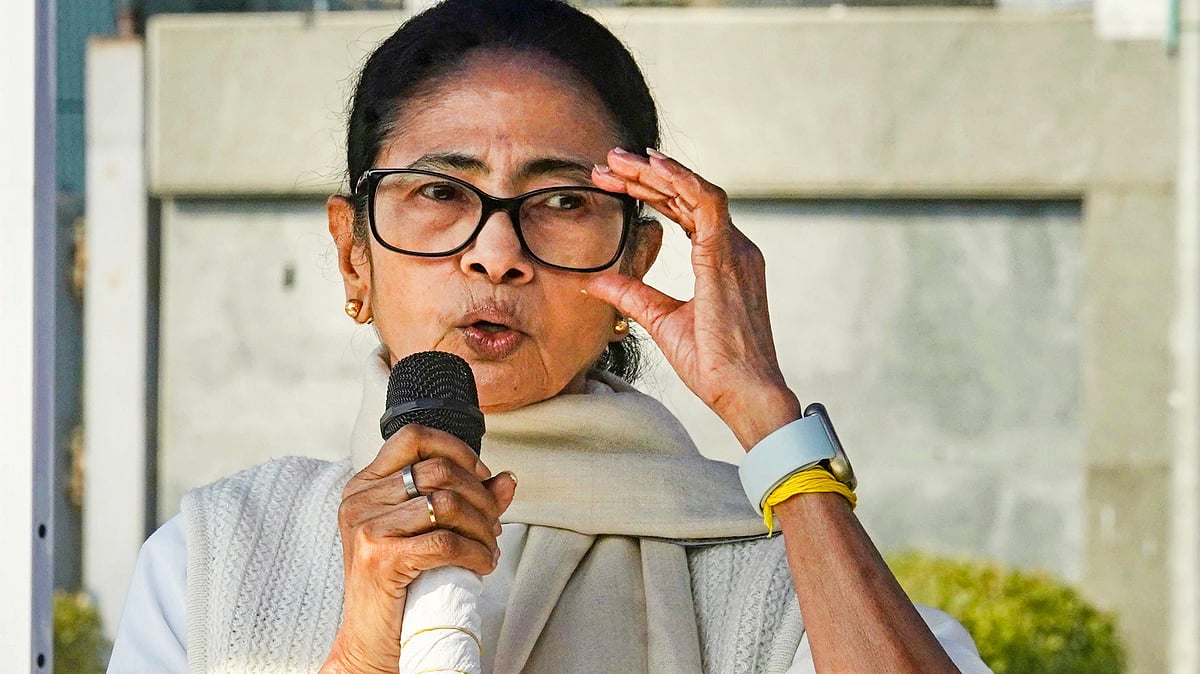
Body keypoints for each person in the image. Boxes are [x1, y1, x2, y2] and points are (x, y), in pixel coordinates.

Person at [109, 1, 990, 672]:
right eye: (441, 193)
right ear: (352, 255)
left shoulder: (783, 576)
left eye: (563, 202)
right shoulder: (221, 557)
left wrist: (768, 421)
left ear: (637, 261)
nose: (497, 254)